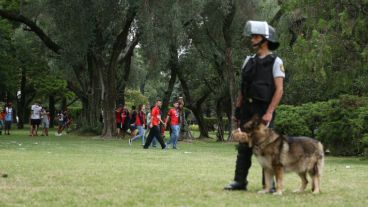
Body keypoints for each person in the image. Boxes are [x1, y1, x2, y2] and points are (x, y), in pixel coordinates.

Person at [224, 20, 285, 191]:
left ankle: (269, 185)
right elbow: (243, 89)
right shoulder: (247, 61)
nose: (252, 40)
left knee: (266, 148)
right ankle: (239, 181)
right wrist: (238, 109)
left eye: (256, 37)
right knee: (243, 147)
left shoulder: (276, 62)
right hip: (247, 110)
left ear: (265, 40)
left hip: (263, 111)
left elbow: (279, 90)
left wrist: (270, 112)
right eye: (252, 36)